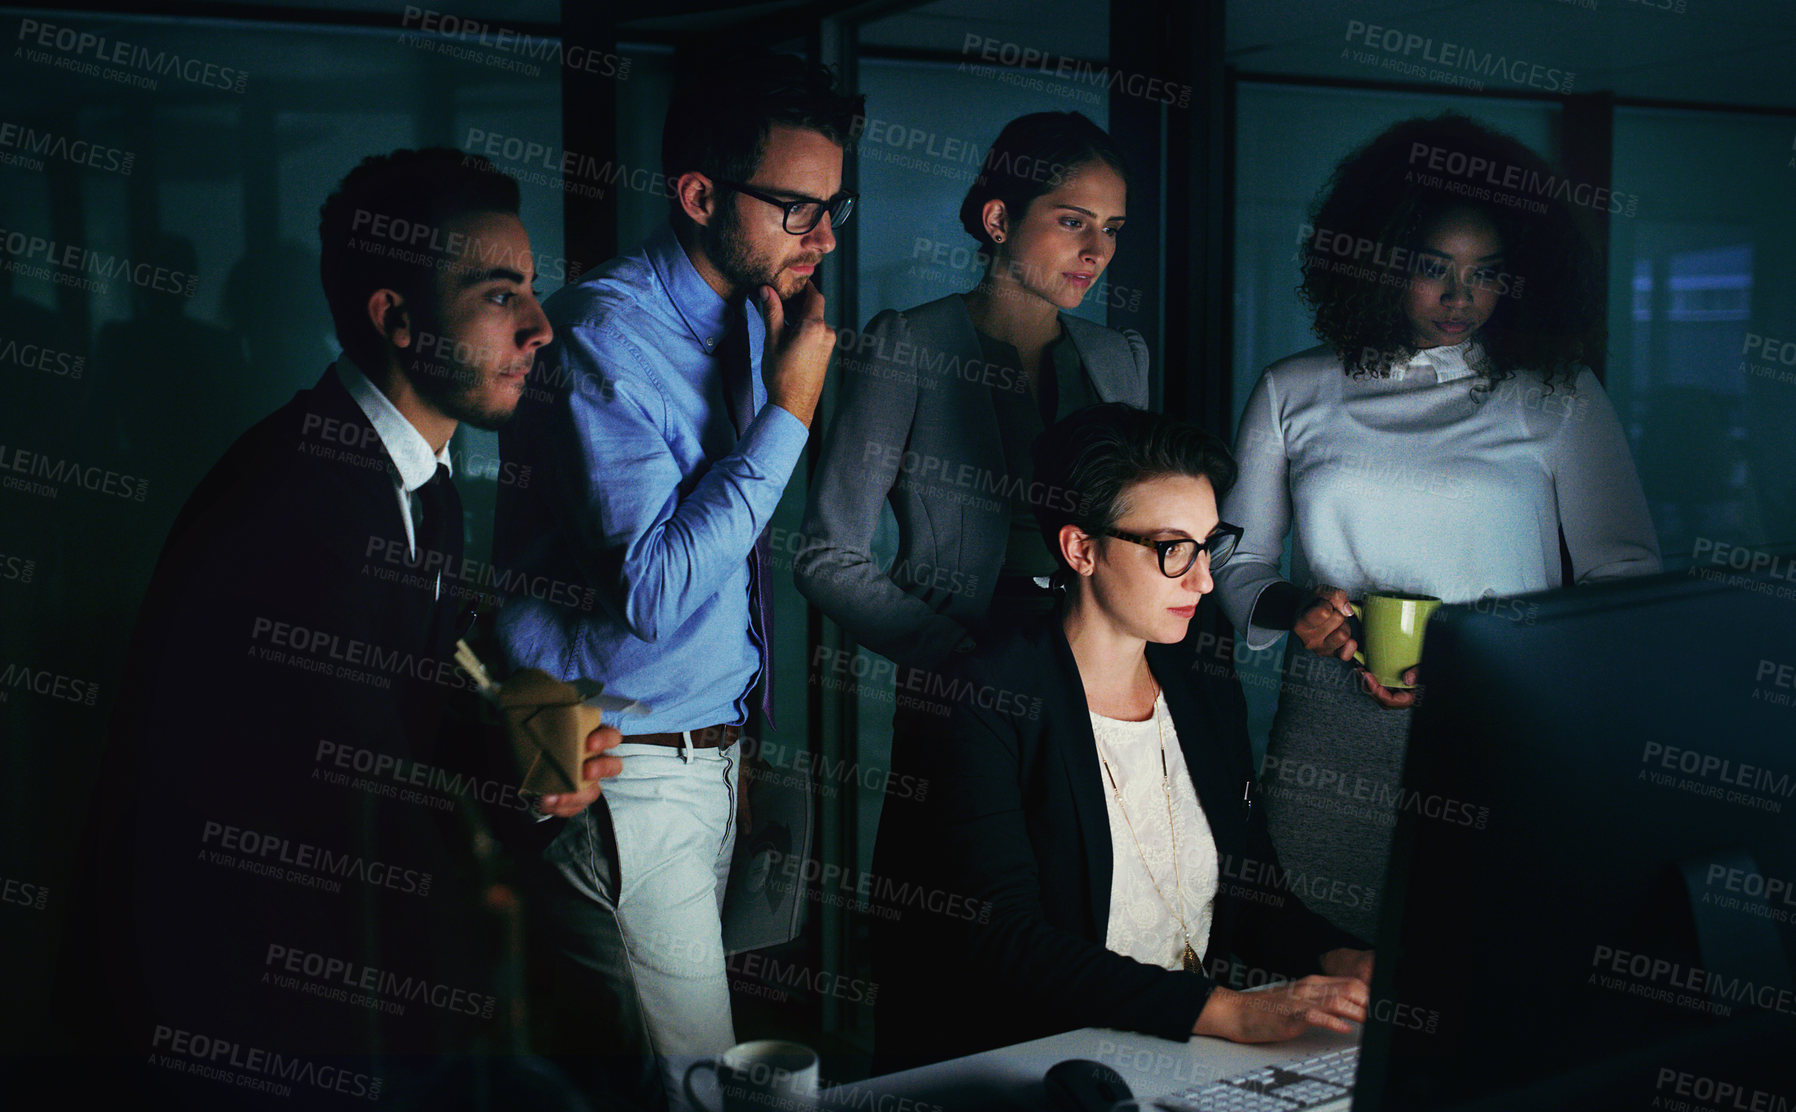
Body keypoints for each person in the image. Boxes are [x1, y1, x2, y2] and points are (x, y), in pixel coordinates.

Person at [59, 148, 623, 1109]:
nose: (538, 327)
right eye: (500, 296)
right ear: (394, 319)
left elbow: (401, 723)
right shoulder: (293, 512)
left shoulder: (423, 482)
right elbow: (351, 822)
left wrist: (528, 770)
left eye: (530, 290)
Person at [491, 53, 862, 1112]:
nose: (824, 238)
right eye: (796, 207)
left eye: (832, 208)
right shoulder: (602, 335)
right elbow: (651, 590)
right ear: (699, 196)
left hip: (702, 751)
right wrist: (788, 411)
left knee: (667, 1074)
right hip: (616, 765)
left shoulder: (754, 309)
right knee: (692, 1089)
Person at [1213, 114, 1662, 941]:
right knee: (1337, 965)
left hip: (1504, 718)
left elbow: (1623, 579)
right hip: (1336, 730)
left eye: (1486, 274)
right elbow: (1234, 562)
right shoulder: (1292, 390)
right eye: (1433, 270)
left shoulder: (1557, 393)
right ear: (1376, 260)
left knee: (1491, 959)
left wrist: (1510, 656)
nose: (1461, 299)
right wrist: (1295, 611)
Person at [871, 403, 1372, 1069]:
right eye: (1173, 551)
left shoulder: (1200, 680)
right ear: (1081, 549)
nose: (1204, 579)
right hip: (1038, 1062)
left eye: (1209, 545)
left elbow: (1251, 889)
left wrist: (1339, 957)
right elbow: (1006, 941)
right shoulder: (982, 696)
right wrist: (1227, 1011)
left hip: (1184, 1052)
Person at [795, 111, 1147, 669]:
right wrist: (953, 653)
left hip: (1101, 665)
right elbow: (827, 558)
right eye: (1074, 222)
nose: (1097, 251)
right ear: (1000, 219)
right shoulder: (908, 345)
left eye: (1111, 228)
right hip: (960, 670)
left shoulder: (1119, 358)